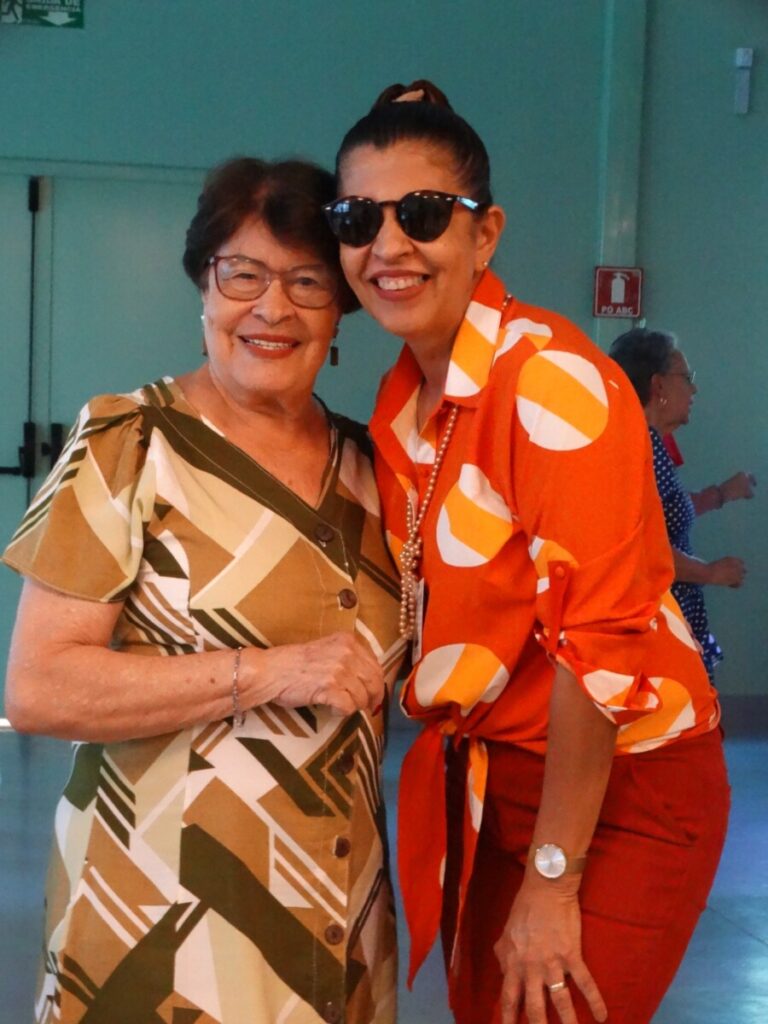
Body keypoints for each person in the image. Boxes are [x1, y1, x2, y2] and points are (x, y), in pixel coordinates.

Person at [323, 81, 731, 1024]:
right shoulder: (405, 400)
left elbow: (598, 653)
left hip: (622, 783)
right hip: (497, 773)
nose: (387, 245)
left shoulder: (547, 379)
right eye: (357, 219)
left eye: (424, 214)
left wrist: (553, 880)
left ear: (486, 234)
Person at [2, 157, 405, 1024]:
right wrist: (269, 670)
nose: (273, 308)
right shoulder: (129, 440)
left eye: (307, 281)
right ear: (202, 285)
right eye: (242, 274)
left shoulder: (376, 467)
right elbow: (38, 688)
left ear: (341, 308)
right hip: (161, 923)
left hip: (338, 913)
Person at [609, 327, 754, 679]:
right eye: (687, 378)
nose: (694, 389)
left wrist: (721, 494)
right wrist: (711, 572)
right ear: (658, 386)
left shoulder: (648, 443)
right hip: (654, 623)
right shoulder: (640, 448)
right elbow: (642, 545)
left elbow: (664, 513)